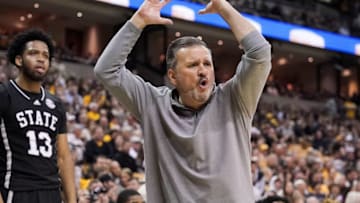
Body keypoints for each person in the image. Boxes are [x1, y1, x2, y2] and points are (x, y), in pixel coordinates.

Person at [94, 0, 271, 201]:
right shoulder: (152, 104)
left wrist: (224, 8)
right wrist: (139, 20)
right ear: (173, 76)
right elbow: (106, 70)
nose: (203, 70)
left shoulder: (235, 99)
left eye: (207, 64)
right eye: (193, 65)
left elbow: (260, 52)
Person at [0, 29, 76, 203]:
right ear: (19, 60)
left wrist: (72, 200)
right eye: (33, 53)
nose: (41, 58)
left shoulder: (56, 104)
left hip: (51, 192)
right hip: (16, 190)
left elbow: (63, 157)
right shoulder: (4, 95)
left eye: (45, 55)